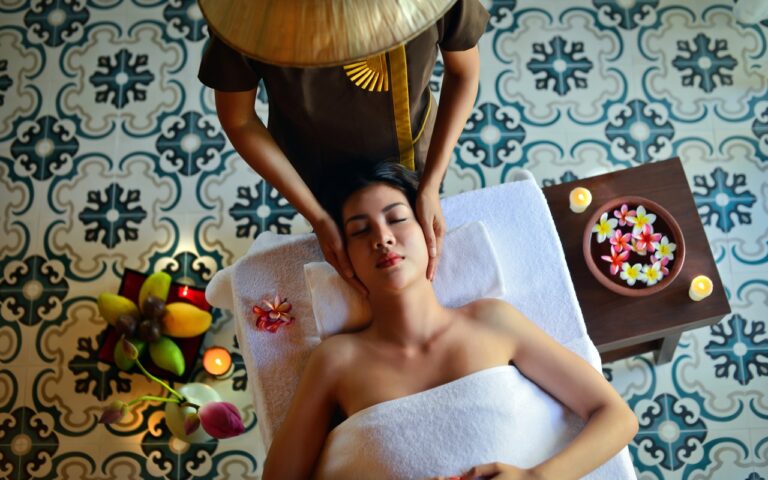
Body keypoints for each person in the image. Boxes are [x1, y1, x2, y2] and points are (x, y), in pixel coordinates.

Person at [261, 162, 639, 479]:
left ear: (429, 231)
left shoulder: (491, 320)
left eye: (397, 219)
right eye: (360, 231)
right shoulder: (336, 360)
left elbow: (616, 416)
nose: (383, 238)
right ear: (342, 256)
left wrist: (535, 477)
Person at [198, 0, 490, 291]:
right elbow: (239, 121)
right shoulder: (246, 12)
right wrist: (317, 216)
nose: (384, 240)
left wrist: (431, 184)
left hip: (412, 154)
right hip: (317, 170)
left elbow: (463, 72)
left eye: (396, 219)